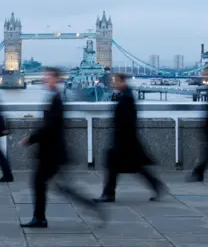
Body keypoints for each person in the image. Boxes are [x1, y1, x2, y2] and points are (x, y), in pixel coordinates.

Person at [19, 67, 101, 228]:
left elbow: (50, 126)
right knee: (59, 187)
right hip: (52, 152)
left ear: (55, 79)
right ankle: (41, 217)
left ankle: (40, 218)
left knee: (41, 183)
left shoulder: (56, 99)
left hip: (52, 153)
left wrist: (31, 138)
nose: (44, 78)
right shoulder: (53, 97)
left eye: (48, 76)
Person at [93, 73, 166, 203]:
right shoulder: (125, 95)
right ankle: (156, 186)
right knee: (128, 167)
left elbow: (127, 120)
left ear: (122, 82)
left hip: (125, 140)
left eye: (115, 81)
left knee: (123, 167)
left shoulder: (126, 98)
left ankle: (109, 194)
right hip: (125, 139)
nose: (113, 83)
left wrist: (119, 134)